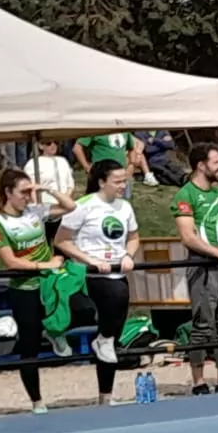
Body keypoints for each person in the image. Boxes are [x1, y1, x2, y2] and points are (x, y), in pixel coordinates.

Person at [0, 168, 78, 413]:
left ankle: (54, 329)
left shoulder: (35, 211)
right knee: (29, 346)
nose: (28, 197)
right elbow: (11, 261)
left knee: (83, 305)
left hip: (49, 283)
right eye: (23, 192)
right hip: (25, 287)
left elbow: (70, 207)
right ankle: (37, 400)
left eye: (30, 191)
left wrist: (47, 190)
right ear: (8, 192)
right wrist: (44, 264)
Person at [55, 158, 140, 404]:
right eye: (118, 181)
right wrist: (88, 259)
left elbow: (134, 237)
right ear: (102, 181)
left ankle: (106, 395)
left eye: (125, 180)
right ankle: (73, 335)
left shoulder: (124, 207)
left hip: (117, 270)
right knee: (113, 299)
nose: (123, 185)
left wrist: (128, 254)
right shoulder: (83, 206)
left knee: (112, 337)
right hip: (91, 276)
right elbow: (62, 241)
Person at [172, 142, 218, 394]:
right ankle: (199, 380)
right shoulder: (185, 195)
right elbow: (188, 236)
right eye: (216, 162)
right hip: (203, 266)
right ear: (201, 165)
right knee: (203, 324)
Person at [23, 139, 76, 240]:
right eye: (48, 143)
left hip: (65, 208)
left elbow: (70, 184)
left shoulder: (63, 161)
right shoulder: (33, 163)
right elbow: (31, 187)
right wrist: (36, 207)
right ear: (40, 146)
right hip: (47, 207)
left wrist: (65, 199)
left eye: (56, 142)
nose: (53, 145)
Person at [72, 131, 150, 182]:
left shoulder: (123, 130)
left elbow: (131, 148)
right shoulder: (95, 129)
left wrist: (131, 165)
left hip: (121, 174)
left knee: (122, 202)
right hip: (102, 174)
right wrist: (86, 167)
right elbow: (77, 148)